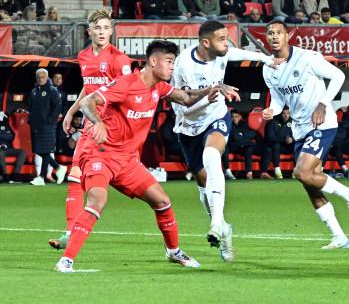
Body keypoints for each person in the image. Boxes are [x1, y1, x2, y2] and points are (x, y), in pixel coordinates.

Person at [53, 40, 227, 273]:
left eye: (173, 63)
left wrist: (210, 90)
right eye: (169, 62)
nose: (172, 68)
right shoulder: (127, 84)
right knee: (97, 201)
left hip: (126, 160)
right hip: (99, 152)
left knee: (162, 202)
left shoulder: (159, 88)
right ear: (153, 61)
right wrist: (99, 123)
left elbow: (185, 98)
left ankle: (173, 251)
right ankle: (66, 261)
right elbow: (87, 101)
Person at [172, 20, 277, 261]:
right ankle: (224, 228)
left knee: (212, 156)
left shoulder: (220, 53)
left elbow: (237, 53)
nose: (226, 43)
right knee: (203, 185)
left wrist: (266, 59)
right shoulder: (185, 65)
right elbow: (185, 105)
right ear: (206, 43)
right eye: (222, 39)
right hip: (188, 125)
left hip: (217, 116)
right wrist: (213, 91)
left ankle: (217, 224)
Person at [262, 20, 349, 250]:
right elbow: (279, 99)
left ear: (288, 36)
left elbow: (338, 76)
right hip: (299, 128)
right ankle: (339, 237)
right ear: (266, 38)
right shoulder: (268, 68)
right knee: (310, 183)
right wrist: (273, 110)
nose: (275, 36)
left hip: (322, 123)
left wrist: (322, 103)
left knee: (302, 172)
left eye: (279, 32)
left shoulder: (307, 57)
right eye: (270, 33)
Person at [48, 9, 132, 250]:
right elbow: (88, 88)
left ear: (111, 31)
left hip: (112, 127)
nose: (102, 32)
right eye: (98, 28)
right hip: (91, 124)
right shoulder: (84, 56)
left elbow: (127, 92)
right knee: (75, 176)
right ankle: (69, 233)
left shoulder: (120, 60)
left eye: (106, 28)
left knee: (131, 186)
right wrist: (72, 111)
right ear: (90, 31)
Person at [28, 68, 64, 186]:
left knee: (44, 150)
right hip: (36, 125)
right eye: (38, 77)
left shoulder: (52, 90)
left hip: (47, 126)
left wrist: (50, 121)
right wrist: (30, 120)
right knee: (41, 150)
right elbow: (31, 108)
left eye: (42, 77)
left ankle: (44, 176)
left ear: (47, 77)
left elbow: (57, 107)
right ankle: (56, 169)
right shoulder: (34, 91)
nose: (40, 79)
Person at [224, 110, 258, 180]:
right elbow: (235, 137)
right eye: (232, 117)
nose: (234, 118)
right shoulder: (228, 124)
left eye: (236, 116)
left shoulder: (243, 124)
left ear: (240, 117)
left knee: (249, 149)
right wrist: (244, 136)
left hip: (242, 146)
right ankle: (227, 171)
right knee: (224, 147)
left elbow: (252, 134)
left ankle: (249, 173)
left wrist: (242, 135)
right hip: (232, 147)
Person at [262, 106, 292, 179]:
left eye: (288, 113)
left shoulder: (292, 122)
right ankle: (277, 171)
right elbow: (270, 137)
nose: (286, 115)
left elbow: (298, 135)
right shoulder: (273, 122)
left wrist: (292, 139)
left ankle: (296, 171)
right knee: (275, 145)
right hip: (275, 146)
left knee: (298, 145)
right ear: (280, 114)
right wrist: (284, 140)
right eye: (284, 113)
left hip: (287, 146)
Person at [0, 111, 25, 182]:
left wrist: (1, 134)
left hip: (8, 149)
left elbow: (11, 136)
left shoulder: (5, 125)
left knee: (22, 152)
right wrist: (4, 134)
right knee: (1, 153)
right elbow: (7, 136)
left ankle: (15, 175)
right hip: (1, 150)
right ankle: (5, 175)